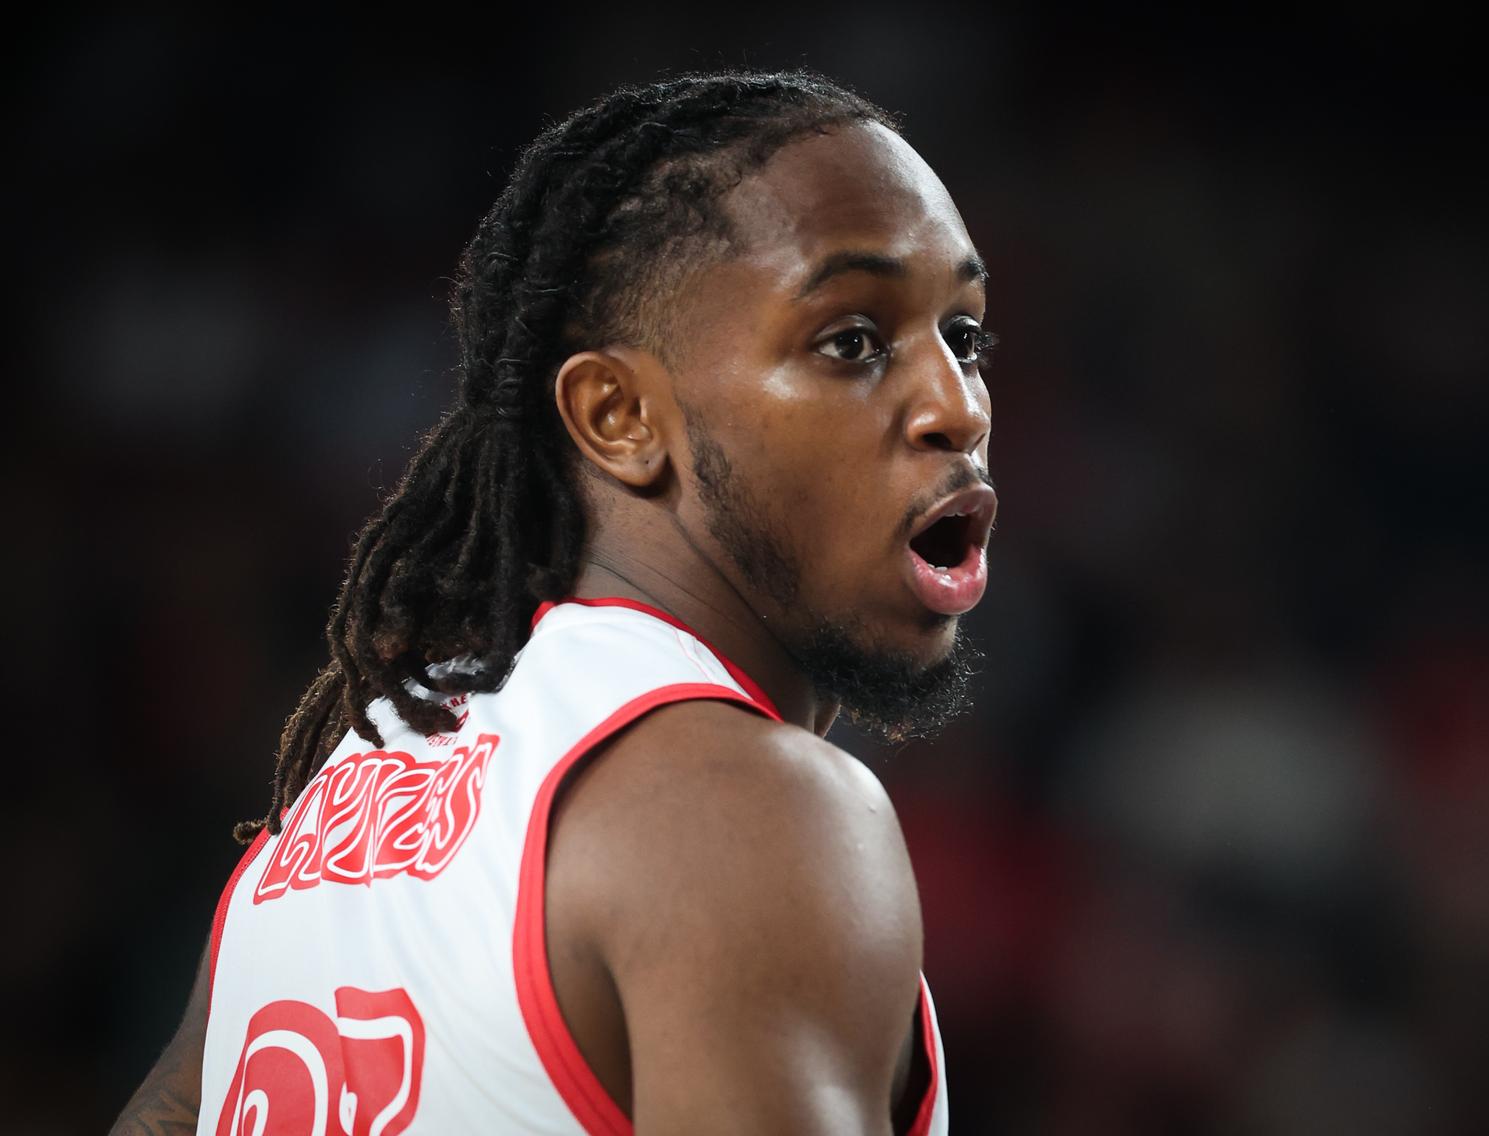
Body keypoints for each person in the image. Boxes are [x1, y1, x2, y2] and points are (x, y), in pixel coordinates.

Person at [112, 68, 995, 1135]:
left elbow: (166, 1109)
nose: (956, 404)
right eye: (850, 340)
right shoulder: (753, 810)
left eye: (964, 335)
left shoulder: (337, 800)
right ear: (619, 414)